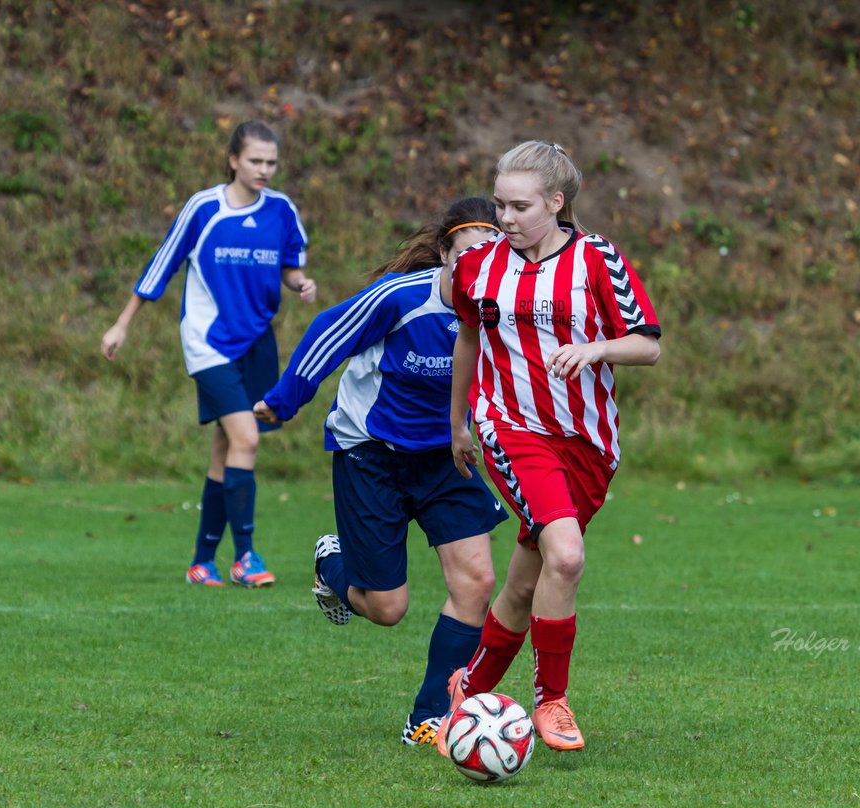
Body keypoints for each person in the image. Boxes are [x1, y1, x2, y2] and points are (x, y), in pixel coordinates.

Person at [254, 197, 508, 746]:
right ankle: (333, 564)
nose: (477, 266)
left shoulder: (500, 308)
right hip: (372, 452)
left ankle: (430, 716)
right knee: (388, 609)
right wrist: (285, 400)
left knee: (477, 581)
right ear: (444, 254)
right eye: (466, 254)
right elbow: (329, 330)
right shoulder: (400, 298)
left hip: (447, 456)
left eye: (490, 255)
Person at [437, 141, 661, 755]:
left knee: (525, 579)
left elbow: (647, 344)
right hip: (511, 428)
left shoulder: (598, 259)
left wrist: (598, 349)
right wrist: (460, 424)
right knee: (565, 556)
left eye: (519, 206)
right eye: (500, 203)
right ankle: (551, 701)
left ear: (557, 203)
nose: (504, 217)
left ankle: (470, 690)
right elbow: (466, 343)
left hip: (589, 444)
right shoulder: (476, 267)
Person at [101, 119, 316, 588]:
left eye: (271, 162)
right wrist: (122, 323)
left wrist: (301, 283)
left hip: (257, 342)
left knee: (226, 450)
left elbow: (290, 267)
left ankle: (202, 562)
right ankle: (246, 557)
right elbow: (162, 264)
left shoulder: (281, 210)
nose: (264, 170)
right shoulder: (204, 208)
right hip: (208, 343)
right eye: (255, 160)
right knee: (247, 439)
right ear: (233, 160)